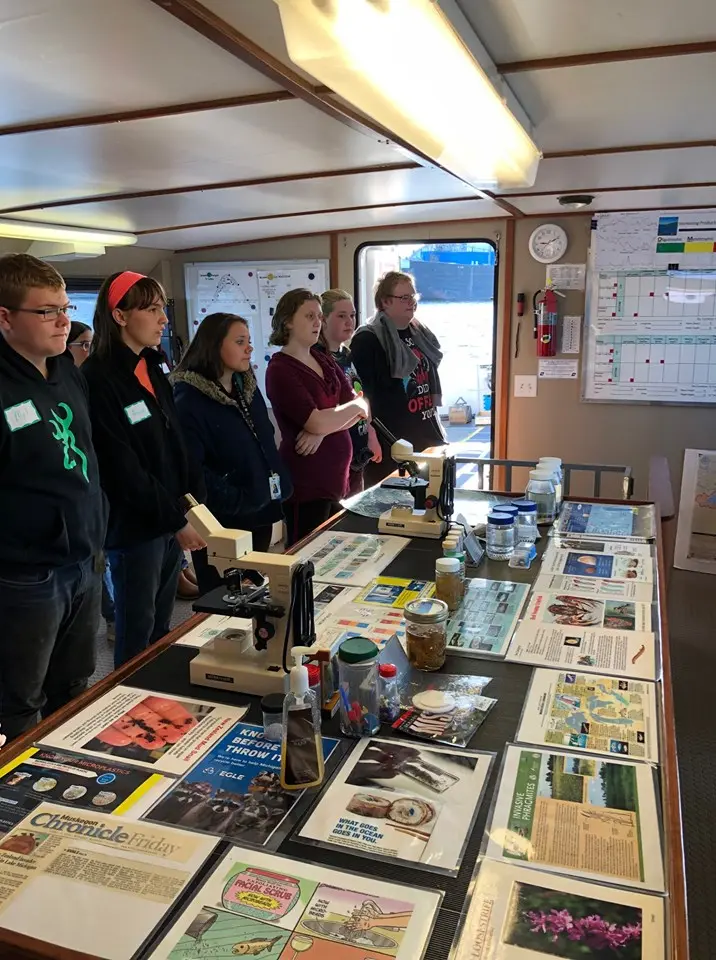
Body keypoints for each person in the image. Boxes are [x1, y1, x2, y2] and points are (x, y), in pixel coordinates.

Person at [0, 254, 106, 740]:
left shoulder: (65, 369)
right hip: (26, 575)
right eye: (46, 311)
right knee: (21, 699)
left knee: (75, 682)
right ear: (5, 317)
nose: (64, 320)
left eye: (64, 308)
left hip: (83, 558)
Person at [81, 271, 206, 668]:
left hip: (169, 516)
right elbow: (123, 468)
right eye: (152, 310)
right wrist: (175, 519)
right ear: (119, 315)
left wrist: (191, 504)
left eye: (162, 309)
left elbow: (175, 441)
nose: (163, 320)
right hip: (137, 527)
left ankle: (156, 693)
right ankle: (128, 709)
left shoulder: (153, 365)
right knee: (136, 628)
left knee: (161, 626)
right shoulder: (98, 378)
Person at [172, 312, 292, 594]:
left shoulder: (246, 387)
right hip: (224, 519)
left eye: (249, 341)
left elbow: (264, 439)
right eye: (240, 342)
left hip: (260, 508)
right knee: (221, 598)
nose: (249, 348)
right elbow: (193, 467)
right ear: (214, 346)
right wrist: (237, 499)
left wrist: (275, 484)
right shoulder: (189, 397)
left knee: (252, 592)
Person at [265, 288, 368, 546]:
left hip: (339, 481)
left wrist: (323, 429)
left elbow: (361, 406)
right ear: (288, 321)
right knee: (306, 559)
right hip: (306, 486)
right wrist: (331, 420)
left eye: (320, 316)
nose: (317, 322)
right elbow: (317, 419)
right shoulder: (280, 369)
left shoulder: (324, 360)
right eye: (309, 315)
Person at [350, 270, 445, 487]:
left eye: (413, 296)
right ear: (385, 302)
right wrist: (371, 436)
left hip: (428, 436)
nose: (412, 302)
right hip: (393, 445)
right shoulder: (368, 340)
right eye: (404, 297)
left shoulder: (418, 333)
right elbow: (363, 397)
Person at [66, 320, 117, 641]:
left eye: (91, 343)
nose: (90, 350)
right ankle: (112, 616)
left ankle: (111, 614)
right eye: (83, 344)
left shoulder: (86, 383)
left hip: (97, 493)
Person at [317, 289, 382, 495]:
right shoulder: (318, 358)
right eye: (341, 316)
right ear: (323, 320)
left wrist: (370, 433)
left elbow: (360, 396)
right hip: (335, 458)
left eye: (352, 315)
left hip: (358, 452)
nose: (349, 322)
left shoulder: (346, 354)